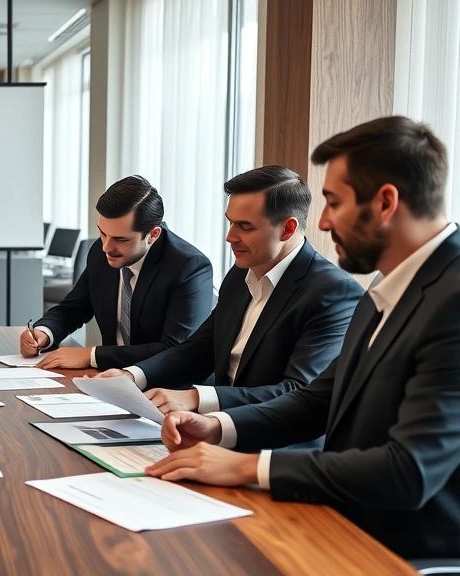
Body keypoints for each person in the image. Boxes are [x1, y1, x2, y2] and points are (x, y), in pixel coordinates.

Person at [147, 116, 460, 559]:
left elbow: (408, 472)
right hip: (339, 519)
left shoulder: (451, 301)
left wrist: (247, 466)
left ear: (386, 202)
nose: (326, 222)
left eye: (334, 202)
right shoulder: (385, 289)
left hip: (400, 551)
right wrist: (219, 428)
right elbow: (319, 399)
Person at [96, 166, 364, 414]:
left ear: (287, 228)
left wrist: (197, 399)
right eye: (231, 222)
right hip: (215, 427)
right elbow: (197, 350)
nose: (230, 237)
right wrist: (132, 376)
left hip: (274, 447)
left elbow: (297, 391)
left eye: (245, 227)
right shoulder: (239, 275)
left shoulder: (333, 293)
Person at [25, 175, 213, 369]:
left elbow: (175, 349)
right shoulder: (101, 253)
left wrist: (92, 356)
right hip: (110, 380)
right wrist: (44, 333)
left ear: (153, 235)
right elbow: (72, 310)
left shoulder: (189, 267)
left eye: (120, 239)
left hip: (168, 388)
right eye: (102, 233)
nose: (106, 247)